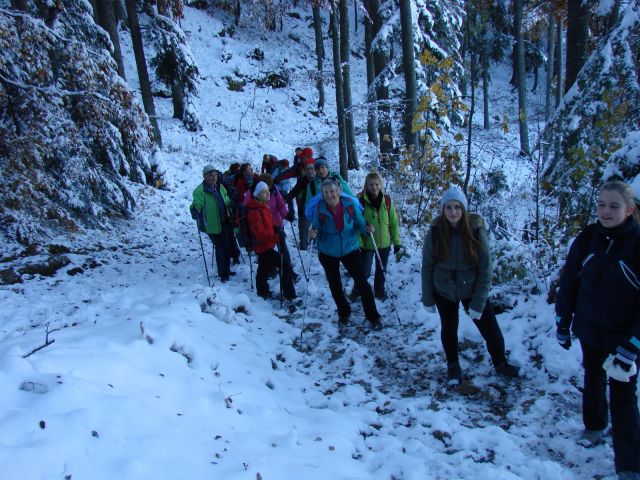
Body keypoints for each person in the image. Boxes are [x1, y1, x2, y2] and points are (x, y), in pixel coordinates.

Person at [555, 180, 640, 478]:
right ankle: (594, 426)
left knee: (623, 396)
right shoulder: (587, 238)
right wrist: (562, 322)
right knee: (592, 378)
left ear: (629, 210)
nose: (605, 211)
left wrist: (633, 344)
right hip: (590, 329)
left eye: (614, 206)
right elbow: (569, 283)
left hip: (624, 338)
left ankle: (629, 465)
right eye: (602, 204)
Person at [422, 185, 519, 383]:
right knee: (449, 328)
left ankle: (500, 362)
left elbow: (486, 268)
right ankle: (453, 365)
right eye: (448, 207)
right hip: (444, 288)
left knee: (490, 328)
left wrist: (478, 301)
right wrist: (428, 298)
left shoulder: (475, 231)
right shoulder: (434, 232)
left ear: (463, 209)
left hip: (471, 287)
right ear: (443, 210)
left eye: (457, 207)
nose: (453, 212)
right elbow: (427, 266)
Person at [309, 177, 383, 331]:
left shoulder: (349, 204)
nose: (330, 195)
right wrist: (313, 233)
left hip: (350, 249)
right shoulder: (320, 209)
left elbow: (360, 222)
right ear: (323, 194)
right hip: (328, 252)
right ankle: (344, 313)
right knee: (335, 285)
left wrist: (367, 229)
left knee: (362, 283)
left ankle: (373, 316)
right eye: (326, 192)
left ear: (339, 191)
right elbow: (316, 227)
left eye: (333, 191)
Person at [351, 172, 402, 300]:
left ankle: (379, 290)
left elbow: (393, 223)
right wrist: (360, 244)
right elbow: (356, 224)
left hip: (384, 243)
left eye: (377, 184)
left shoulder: (387, 201)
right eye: (371, 185)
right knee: (364, 271)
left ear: (381, 185)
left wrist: (396, 242)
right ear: (366, 186)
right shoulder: (360, 201)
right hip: (368, 243)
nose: (374, 187)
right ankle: (357, 291)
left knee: (381, 270)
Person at [247, 181, 297, 301]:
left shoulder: (263, 206)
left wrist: (275, 227)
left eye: (267, 190)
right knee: (284, 265)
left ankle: (262, 291)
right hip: (263, 246)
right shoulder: (254, 212)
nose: (268, 193)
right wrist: (276, 237)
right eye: (264, 192)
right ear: (257, 194)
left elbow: (267, 224)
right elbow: (259, 233)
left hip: (266, 245)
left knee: (264, 267)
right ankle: (289, 294)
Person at [190, 165, 234, 282]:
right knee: (221, 247)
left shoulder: (220, 187)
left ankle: (226, 271)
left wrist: (233, 204)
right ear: (204, 176)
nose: (214, 178)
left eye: (215, 175)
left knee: (226, 247)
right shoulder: (200, 191)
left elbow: (226, 200)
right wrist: (195, 209)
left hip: (224, 221)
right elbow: (197, 203)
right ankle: (223, 273)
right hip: (211, 225)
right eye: (211, 175)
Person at [283, 158, 316, 250]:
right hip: (304, 207)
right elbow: (294, 191)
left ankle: (316, 242)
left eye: (312, 168)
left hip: (317, 208)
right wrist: (284, 200)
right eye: (308, 169)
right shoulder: (303, 180)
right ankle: (304, 247)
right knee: (303, 227)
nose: (310, 171)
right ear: (305, 170)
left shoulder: (319, 180)